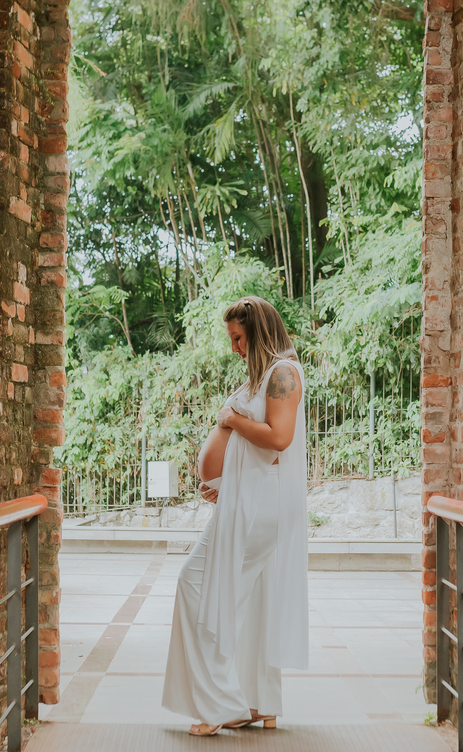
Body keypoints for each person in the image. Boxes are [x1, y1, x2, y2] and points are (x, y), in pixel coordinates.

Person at [162, 296, 310, 737]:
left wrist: (230, 419)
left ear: (258, 332)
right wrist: (226, 481)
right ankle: (258, 701)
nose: (234, 348)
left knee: (196, 585)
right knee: (257, 596)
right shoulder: (265, 377)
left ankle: (218, 704)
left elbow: (278, 438)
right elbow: (247, 451)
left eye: (238, 338)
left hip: (260, 505)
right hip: (251, 498)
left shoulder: (283, 374)